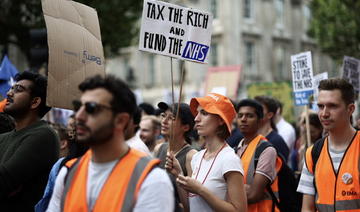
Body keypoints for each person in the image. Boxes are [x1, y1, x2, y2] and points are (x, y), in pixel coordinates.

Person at [47, 75, 174, 212]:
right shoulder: (68, 173)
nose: (79, 116)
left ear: (120, 121)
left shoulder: (151, 180)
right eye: (78, 107)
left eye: (91, 108)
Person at [166, 93, 247, 212]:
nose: (196, 118)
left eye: (204, 113)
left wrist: (200, 190)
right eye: (198, 113)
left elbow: (240, 210)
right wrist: (178, 174)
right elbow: (190, 208)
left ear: (220, 120)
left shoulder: (229, 159)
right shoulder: (197, 157)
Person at [297, 78, 360, 212]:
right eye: (320, 106)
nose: (324, 113)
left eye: (333, 106)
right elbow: (307, 208)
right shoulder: (313, 153)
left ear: (351, 109)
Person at [0, 71, 59, 211]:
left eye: (18, 89)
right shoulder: (3, 138)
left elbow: (4, 181)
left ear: (35, 102)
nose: (9, 93)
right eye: (11, 88)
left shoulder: (44, 135)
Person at [236, 99, 282, 212]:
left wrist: (227, 190)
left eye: (249, 116)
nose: (243, 119)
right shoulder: (234, 150)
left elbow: (253, 195)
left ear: (260, 121)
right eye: (240, 115)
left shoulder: (266, 150)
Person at [254, 96, 289, 161]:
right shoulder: (248, 139)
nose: (254, 112)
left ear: (269, 115)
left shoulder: (277, 141)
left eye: (259, 109)